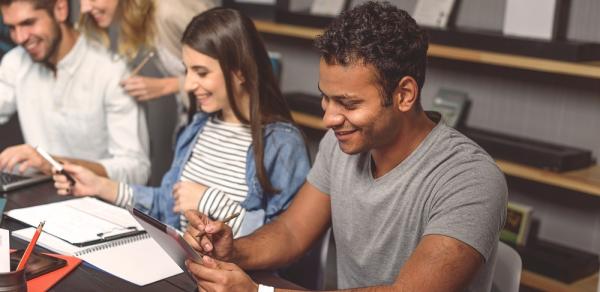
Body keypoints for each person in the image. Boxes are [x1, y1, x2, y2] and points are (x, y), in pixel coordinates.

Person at [182, 2, 508, 291]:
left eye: (347, 103)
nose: (329, 118)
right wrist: (234, 250)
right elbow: (293, 231)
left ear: (404, 95)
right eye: (325, 97)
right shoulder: (340, 144)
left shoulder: (470, 179)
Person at [53, 7, 310, 235]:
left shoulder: (282, 144)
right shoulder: (197, 128)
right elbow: (164, 205)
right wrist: (99, 185)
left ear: (239, 71)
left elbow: (284, 242)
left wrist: (210, 201)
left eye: (201, 72)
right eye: (187, 71)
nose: (188, 84)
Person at [0, 0, 150, 184]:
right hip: (33, 201)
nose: (20, 37)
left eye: (28, 23)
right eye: (11, 28)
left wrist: (52, 164)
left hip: (96, 205)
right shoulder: (15, 63)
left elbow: (137, 170)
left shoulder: (112, 72)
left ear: (60, 10)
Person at [79, 0, 218, 130]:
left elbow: (230, 68)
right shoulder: (150, 17)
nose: (84, 8)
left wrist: (169, 85)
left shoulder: (171, 11)